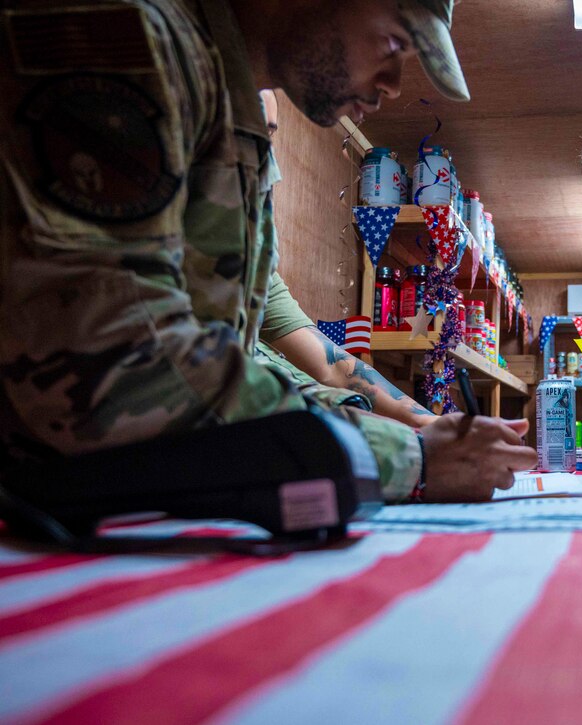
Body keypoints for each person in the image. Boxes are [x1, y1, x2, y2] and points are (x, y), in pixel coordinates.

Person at [0, 0, 536, 503]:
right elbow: (113, 374)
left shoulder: (226, 99)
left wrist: (419, 428)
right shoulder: (127, 43)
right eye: (395, 43)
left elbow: (249, 358)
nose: (394, 86)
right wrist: (408, 458)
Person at [256, 88, 434, 429]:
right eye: (248, 137)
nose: (266, 163)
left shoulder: (253, 260)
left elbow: (332, 365)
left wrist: (432, 423)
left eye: (268, 138)